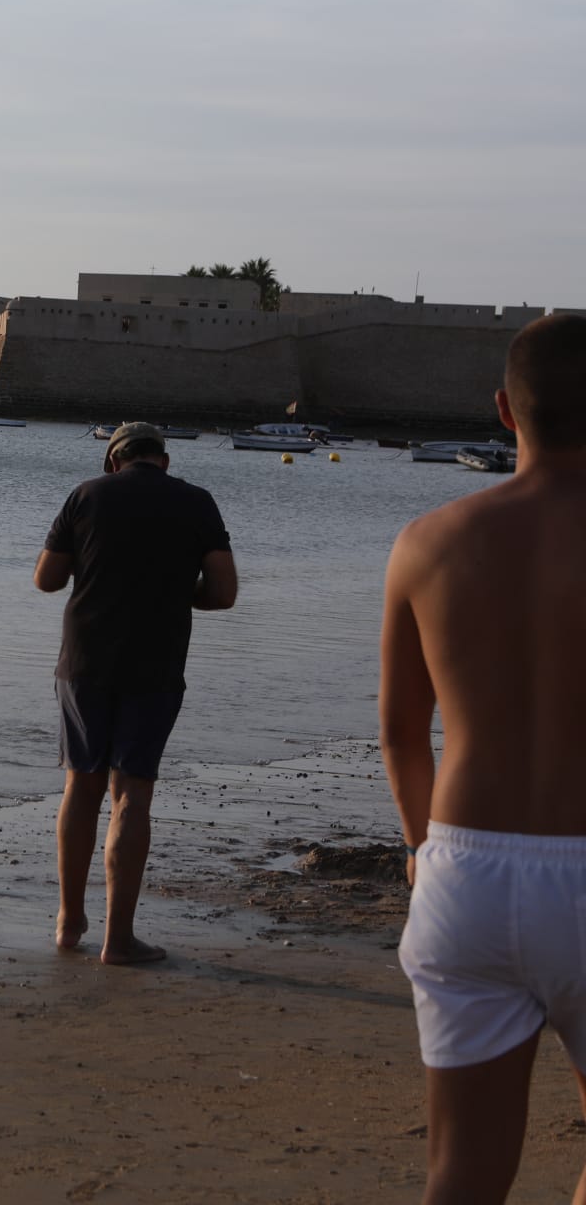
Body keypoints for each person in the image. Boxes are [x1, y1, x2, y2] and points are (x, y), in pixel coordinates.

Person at [382, 314, 586, 1202]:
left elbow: (399, 730)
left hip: (465, 867)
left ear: (506, 411)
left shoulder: (427, 543)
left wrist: (423, 855)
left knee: (462, 1172)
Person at [33, 422, 236, 965]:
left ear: (113, 462)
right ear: (163, 462)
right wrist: (173, 589)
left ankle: (69, 919)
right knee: (132, 795)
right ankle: (118, 940)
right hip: (155, 662)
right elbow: (223, 592)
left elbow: (47, 580)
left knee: (82, 786)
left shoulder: (86, 495)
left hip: (84, 661)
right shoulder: (197, 501)